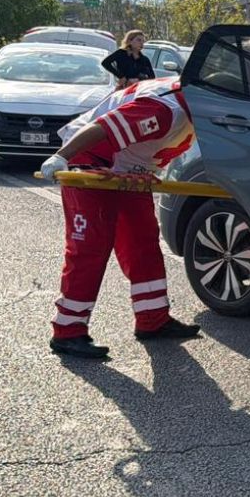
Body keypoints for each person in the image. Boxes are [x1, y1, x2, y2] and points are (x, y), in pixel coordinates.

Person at [39, 78, 199, 358]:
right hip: (89, 159)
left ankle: (153, 319)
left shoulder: (196, 106)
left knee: (143, 241)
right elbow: (103, 129)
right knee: (90, 245)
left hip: (127, 167)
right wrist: (61, 157)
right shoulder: (163, 110)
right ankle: (68, 331)